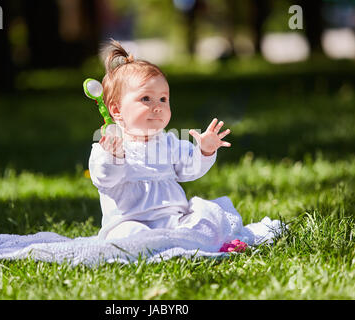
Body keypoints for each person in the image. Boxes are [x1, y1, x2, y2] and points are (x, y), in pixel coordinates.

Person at [89, 39, 245, 242]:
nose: (157, 106)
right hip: (130, 221)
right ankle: (152, 243)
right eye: (146, 99)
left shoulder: (170, 142)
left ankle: (179, 239)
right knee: (127, 236)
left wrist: (204, 151)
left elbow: (189, 170)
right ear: (117, 110)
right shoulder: (108, 147)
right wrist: (114, 157)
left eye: (163, 99)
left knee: (205, 213)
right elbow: (105, 179)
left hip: (173, 220)